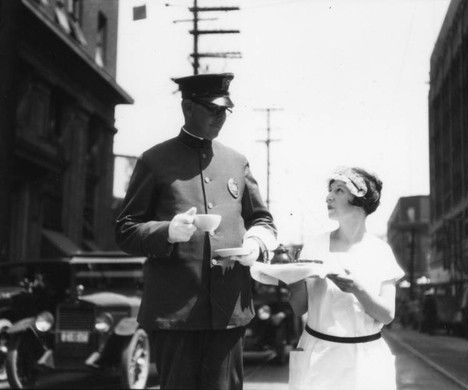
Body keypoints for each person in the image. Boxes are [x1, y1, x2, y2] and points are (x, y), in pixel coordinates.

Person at [115, 72, 277, 390]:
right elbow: (125, 230)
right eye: (212, 109)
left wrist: (256, 243)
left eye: (225, 111)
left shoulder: (236, 162)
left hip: (229, 309)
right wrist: (166, 231)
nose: (221, 117)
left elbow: (264, 221)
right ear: (188, 107)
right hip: (176, 312)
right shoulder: (154, 160)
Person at [287, 167, 404, 390]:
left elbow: (387, 315)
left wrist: (358, 288)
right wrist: (291, 278)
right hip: (318, 356)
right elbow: (298, 308)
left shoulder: (381, 251)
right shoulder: (314, 245)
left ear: (361, 200)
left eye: (339, 190)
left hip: (366, 361)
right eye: (330, 190)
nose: (328, 196)